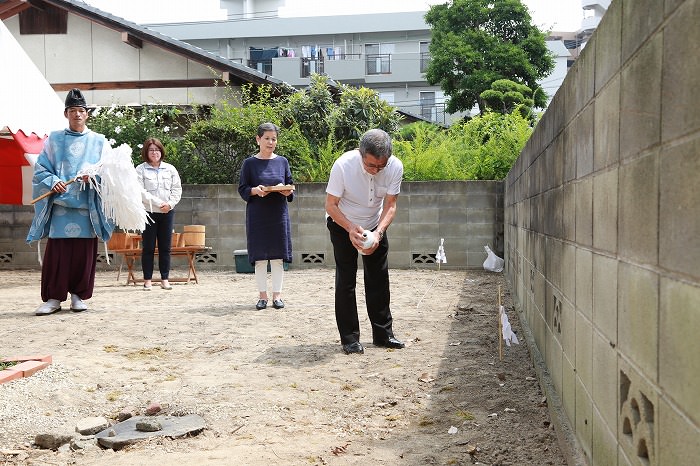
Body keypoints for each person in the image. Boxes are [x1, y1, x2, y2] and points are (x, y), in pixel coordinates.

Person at [27, 88, 114, 316]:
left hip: (87, 207)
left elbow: (111, 173)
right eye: (73, 110)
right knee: (59, 253)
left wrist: (93, 178)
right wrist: (54, 181)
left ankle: (78, 296)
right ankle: (54, 298)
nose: (77, 114)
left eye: (81, 111)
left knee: (83, 253)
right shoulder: (54, 139)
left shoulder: (99, 142)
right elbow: (41, 170)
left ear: (87, 115)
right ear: (66, 114)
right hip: (61, 207)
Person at [325, 128, 405, 354]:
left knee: (379, 279)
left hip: (375, 225)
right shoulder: (343, 165)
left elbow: (390, 205)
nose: (376, 170)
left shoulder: (395, 166)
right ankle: (349, 339)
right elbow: (330, 205)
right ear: (361, 154)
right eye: (371, 165)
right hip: (342, 224)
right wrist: (350, 228)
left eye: (381, 166)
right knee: (346, 280)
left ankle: (383, 334)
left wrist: (378, 233)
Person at [238, 123, 294, 310]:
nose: (271, 142)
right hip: (257, 215)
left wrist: (286, 191)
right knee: (260, 257)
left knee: (278, 258)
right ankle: (262, 296)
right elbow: (243, 188)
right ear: (258, 139)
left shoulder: (283, 161)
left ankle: (277, 296)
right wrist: (254, 190)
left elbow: (290, 185)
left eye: (274, 139)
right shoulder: (249, 163)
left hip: (278, 214)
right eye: (267, 138)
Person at [135, 138, 183, 290]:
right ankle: (147, 280)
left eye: (157, 150)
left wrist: (169, 204)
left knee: (165, 247)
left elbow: (177, 189)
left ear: (161, 151)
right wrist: (158, 203)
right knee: (148, 247)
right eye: (151, 150)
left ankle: (165, 279)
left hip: (167, 212)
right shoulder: (140, 170)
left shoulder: (170, 169)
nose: (154, 153)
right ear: (146, 152)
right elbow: (140, 192)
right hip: (148, 212)